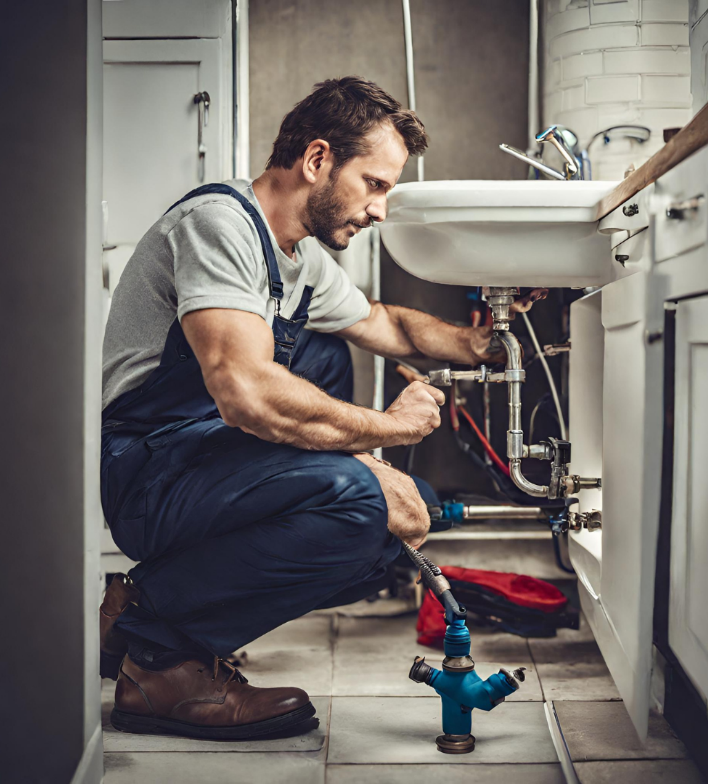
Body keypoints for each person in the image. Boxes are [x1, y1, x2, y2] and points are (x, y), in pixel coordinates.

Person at [100, 75, 547, 740]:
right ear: (317, 160)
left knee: (391, 509)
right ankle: (160, 663)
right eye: (375, 183)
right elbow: (246, 392)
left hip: (206, 459)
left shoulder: (297, 258)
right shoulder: (219, 227)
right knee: (362, 507)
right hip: (151, 471)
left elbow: (383, 323)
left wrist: (477, 345)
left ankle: (139, 606)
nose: (381, 210)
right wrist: (385, 439)